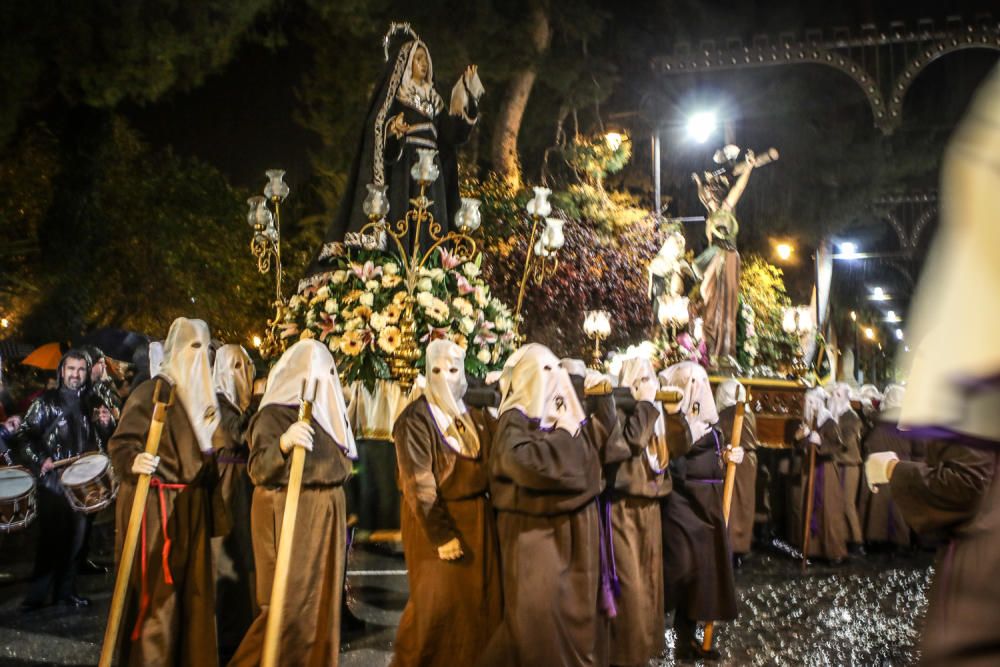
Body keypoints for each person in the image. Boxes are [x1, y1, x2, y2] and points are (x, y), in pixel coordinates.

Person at [479, 343, 618, 667]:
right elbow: (527, 463)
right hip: (536, 535)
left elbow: (594, 457)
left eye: (556, 369)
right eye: (544, 371)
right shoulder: (516, 417)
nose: (553, 378)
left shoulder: (570, 416)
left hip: (576, 533)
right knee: (537, 625)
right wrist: (565, 439)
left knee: (575, 622)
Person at [309, 22, 483, 270]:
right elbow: (379, 135)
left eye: (426, 59)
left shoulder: (434, 100)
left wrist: (470, 99)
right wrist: (393, 131)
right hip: (405, 172)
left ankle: (430, 273)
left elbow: (453, 136)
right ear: (406, 63)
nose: (424, 64)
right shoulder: (397, 97)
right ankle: (396, 270)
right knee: (403, 224)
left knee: (431, 227)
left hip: (433, 175)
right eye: (418, 59)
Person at [230, 339, 356, 667]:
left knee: (318, 607)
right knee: (286, 610)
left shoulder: (330, 418)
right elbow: (258, 468)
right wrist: (283, 445)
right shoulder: (272, 414)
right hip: (288, 515)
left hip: (322, 518)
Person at [108, 318, 227, 666]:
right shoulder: (154, 392)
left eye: (205, 348)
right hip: (155, 509)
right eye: (192, 346)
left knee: (193, 596)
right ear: (175, 351)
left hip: (190, 507)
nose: (200, 355)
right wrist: (134, 459)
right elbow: (121, 442)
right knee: (158, 596)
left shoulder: (203, 400)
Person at [391, 340, 501, 666]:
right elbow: (417, 481)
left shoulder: (476, 415)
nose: (445, 378)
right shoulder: (415, 419)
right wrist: (441, 534)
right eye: (437, 370)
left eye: (453, 370)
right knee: (437, 609)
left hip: (477, 522)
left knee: (477, 611)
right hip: (440, 527)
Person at [659, 361, 739, 661]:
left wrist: (729, 455)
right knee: (680, 568)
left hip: (708, 504)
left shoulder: (710, 421)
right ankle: (650, 627)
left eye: (701, 380)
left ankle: (685, 640)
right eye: (691, 380)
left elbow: (714, 449)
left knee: (701, 576)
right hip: (683, 502)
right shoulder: (672, 421)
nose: (697, 386)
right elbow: (677, 450)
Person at [16, 349, 100, 610]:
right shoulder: (45, 401)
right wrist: (41, 458)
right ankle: (37, 596)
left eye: (81, 370)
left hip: (82, 481)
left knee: (77, 540)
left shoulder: (92, 401)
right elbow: (25, 435)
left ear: (86, 373)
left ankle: (66, 592)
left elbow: (100, 440)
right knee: (51, 540)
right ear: (62, 371)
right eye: (71, 369)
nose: (76, 374)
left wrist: (106, 425)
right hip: (53, 483)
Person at [607, 356, 669, 667]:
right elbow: (631, 442)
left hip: (650, 506)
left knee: (649, 580)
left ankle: (644, 647)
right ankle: (625, 653)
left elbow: (670, 452)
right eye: (640, 379)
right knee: (629, 581)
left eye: (650, 378)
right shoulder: (619, 409)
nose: (647, 385)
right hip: (624, 509)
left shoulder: (653, 415)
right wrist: (644, 405)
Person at [211, 344, 258, 660]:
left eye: (246, 366)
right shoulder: (217, 402)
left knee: (246, 557)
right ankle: (229, 638)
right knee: (228, 558)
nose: (243, 374)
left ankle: (244, 628)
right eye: (235, 367)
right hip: (227, 485)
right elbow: (236, 436)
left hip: (243, 484)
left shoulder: (238, 405)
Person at [692, 150, 756, 366]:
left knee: (719, 300)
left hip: (726, 257)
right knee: (707, 297)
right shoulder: (710, 213)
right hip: (714, 257)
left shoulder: (725, 208)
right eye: (707, 197)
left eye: (711, 195)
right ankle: (708, 345)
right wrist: (699, 181)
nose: (708, 199)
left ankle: (722, 349)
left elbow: (738, 188)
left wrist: (748, 167)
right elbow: (701, 193)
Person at [790, 387, 848, 563]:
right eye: (806, 402)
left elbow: (838, 446)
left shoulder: (829, 422)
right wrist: (801, 438)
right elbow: (797, 445)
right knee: (809, 507)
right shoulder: (806, 422)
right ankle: (812, 549)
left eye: (811, 402)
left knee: (828, 510)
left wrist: (820, 442)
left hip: (826, 470)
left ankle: (833, 551)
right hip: (810, 470)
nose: (808, 405)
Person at [858, 384, 912, 549]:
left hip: (879, 467)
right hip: (902, 466)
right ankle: (900, 540)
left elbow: (870, 442)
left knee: (879, 504)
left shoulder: (879, 421)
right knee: (899, 505)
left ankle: (878, 537)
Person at [715, 378, 758, 558]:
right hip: (747, 461)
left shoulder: (730, 413)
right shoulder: (747, 412)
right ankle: (740, 545)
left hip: (736, 461)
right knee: (742, 505)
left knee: (734, 505)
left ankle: (732, 545)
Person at [828, 382, 865, 553]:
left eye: (837, 395)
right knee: (838, 502)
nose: (833, 398)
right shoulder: (835, 415)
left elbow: (846, 440)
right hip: (838, 463)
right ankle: (842, 537)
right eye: (833, 394)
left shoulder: (851, 417)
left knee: (847, 503)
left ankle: (856, 540)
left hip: (849, 465)